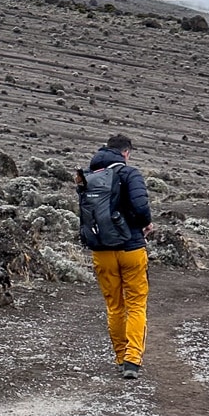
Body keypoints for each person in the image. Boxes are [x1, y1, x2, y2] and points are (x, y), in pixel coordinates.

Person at [81, 134, 153, 381]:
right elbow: (142, 208)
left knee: (114, 306)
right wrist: (145, 224)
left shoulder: (90, 176)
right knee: (135, 304)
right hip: (131, 248)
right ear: (126, 152)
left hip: (101, 250)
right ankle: (132, 360)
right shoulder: (129, 173)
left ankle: (120, 356)